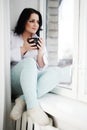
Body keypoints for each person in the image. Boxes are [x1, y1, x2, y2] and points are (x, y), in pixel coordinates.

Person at [10, 8, 70, 126]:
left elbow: (42, 67)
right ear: (24, 21)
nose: (35, 24)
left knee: (57, 71)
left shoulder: (38, 41)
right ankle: (33, 107)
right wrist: (24, 49)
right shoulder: (11, 36)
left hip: (30, 84)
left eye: (38, 22)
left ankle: (23, 99)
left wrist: (41, 52)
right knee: (29, 62)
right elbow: (4, 57)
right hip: (14, 80)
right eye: (32, 21)